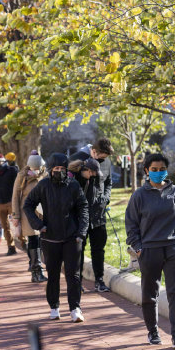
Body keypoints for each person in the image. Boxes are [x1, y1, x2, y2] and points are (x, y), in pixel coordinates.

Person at [125, 153, 175, 349]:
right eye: (153, 170)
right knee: (149, 294)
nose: (158, 173)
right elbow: (131, 224)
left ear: (167, 170)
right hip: (149, 251)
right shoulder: (139, 195)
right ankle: (152, 331)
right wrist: (138, 248)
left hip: (174, 250)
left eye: (162, 169)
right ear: (146, 171)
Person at [23, 153, 89, 323]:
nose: (59, 171)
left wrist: (81, 232)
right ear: (51, 169)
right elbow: (28, 205)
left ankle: (75, 308)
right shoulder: (43, 185)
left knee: (73, 275)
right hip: (50, 238)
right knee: (52, 275)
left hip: (72, 237)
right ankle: (54, 307)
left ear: (67, 170)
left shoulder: (73, 185)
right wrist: (39, 225)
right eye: (56, 169)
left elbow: (83, 207)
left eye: (62, 169)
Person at [69, 137, 113, 292]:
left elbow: (108, 183)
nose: (103, 160)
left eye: (105, 158)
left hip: (99, 214)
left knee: (98, 248)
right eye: (101, 157)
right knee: (78, 248)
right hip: (80, 214)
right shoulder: (76, 160)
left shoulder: (106, 162)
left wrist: (106, 198)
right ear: (94, 151)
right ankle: (77, 280)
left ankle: (99, 280)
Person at [12, 150, 48, 282]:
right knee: (33, 240)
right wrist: (15, 216)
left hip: (43, 212)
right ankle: (36, 271)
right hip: (27, 212)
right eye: (34, 168)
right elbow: (15, 197)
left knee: (41, 241)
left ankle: (38, 269)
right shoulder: (22, 176)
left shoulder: (46, 175)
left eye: (38, 168)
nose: (36, 171)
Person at [0, 153, 19, 256]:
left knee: (17, 225)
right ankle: (11, 247)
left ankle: (24, 243)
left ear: (4, 161)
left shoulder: (12, 170)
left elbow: (18, 184)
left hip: (11, 202)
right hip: (0, 203)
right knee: (5, 227)